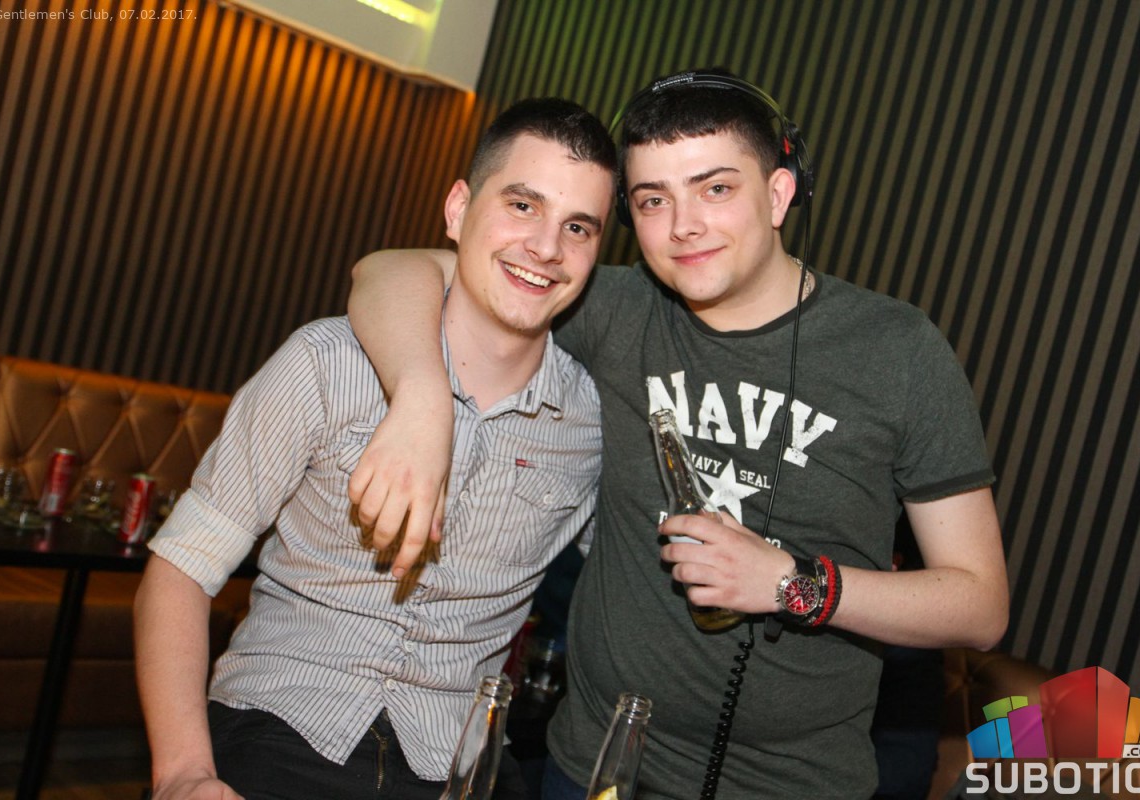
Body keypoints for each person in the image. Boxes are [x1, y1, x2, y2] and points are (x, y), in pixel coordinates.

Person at [345, 69, 1010, 799]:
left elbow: (979, 605)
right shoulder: (614, 308)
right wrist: (421, 403)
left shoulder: (898, 349)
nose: (683, 225)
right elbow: (391, 270)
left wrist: (789, 584)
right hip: (590, 767)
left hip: (795, 786)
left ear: (780, 194)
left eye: (714, 188)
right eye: (652, 200)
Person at [132, 97, 617, 800]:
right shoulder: (326, 363)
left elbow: (641, 583)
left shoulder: (590, 425)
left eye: (577, 227)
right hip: (282, 725)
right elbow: (180, 568)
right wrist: (183, 774)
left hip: (461, 761)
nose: (546, 247)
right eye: (522, 205)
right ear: (458, 209)